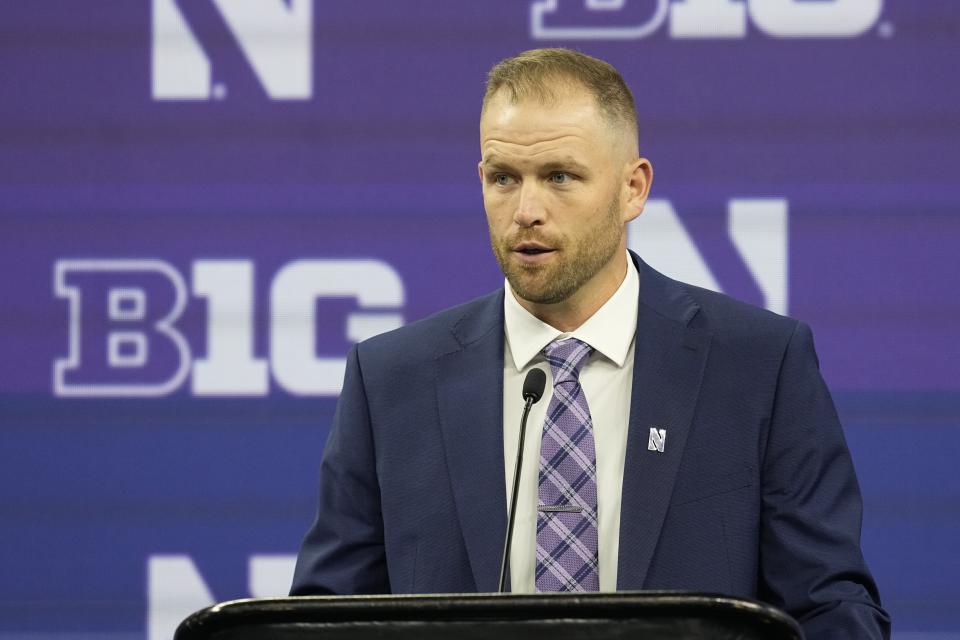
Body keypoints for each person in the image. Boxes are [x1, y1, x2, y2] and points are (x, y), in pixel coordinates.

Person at [291, 48, 890, 638]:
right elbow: (322, 619)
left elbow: (828, 608)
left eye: (560, 177)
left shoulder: (758, 364)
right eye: (504, 178)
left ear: (633, 188)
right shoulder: (392, 379)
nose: (526, 210)